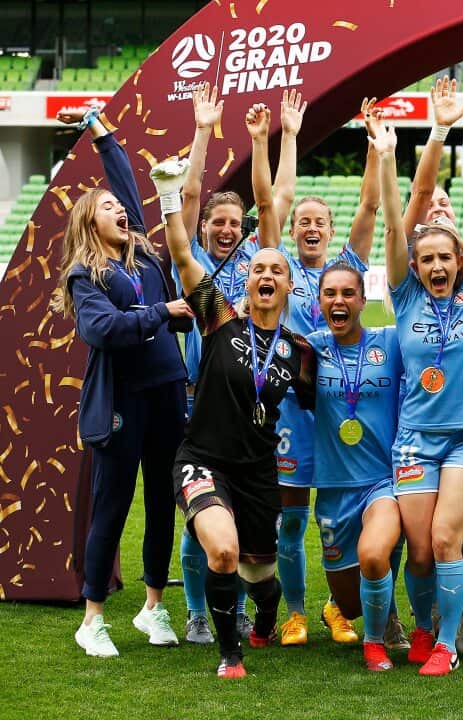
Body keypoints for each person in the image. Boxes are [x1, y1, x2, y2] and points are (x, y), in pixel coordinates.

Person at [153, 102, 317, 678]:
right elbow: (179, 251)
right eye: (257, 272)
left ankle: (267, 615)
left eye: (276, 271)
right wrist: (171, 195)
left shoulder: (299, 352)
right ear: (245, 280)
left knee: (258, 575)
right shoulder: (218, 318)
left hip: (257, 469)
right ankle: (228, 652)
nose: (265, 277)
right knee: (218, 549)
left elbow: (320, 408)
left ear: (289, 284)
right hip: (202, 455)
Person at [51, 106, 191, 658]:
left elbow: (125, 180)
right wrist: (162, 313)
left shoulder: (144, 253)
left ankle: (153, 608)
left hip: (166, 393)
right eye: (107, 209)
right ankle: (93, 619)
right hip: (120, 403)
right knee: (112, 506)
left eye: (120, 208)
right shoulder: (87, 274)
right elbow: (102, 329)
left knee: (162, 502)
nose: (120, 212)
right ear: (90, 224)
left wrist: (100, 127)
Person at [383, 109, 463, 675]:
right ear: (415, 266)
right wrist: (388, 157)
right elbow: (392, 223)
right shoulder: (405, 298)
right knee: (415, 551)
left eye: (445, 258)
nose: (437, 265)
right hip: (413, 440)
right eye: (427, 259)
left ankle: (447, 646)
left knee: (443, 541)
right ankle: (425, 624)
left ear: (460, 263)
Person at [261, 96, 378, 647]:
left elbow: (370, 210)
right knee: (290, 520)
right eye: (302, 221)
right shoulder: (279, 269)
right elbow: (271, 202)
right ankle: (297, 612)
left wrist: (376, 149)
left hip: (339, 410)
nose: (309, 225)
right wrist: (285, 136)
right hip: (291, 412)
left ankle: (337, 605)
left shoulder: (345, 273)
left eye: (318, 221)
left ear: (330, 231)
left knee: (342, 518)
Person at [306, 257, 403, 672]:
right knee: (350, 601)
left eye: (348, 293)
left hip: (381, 481)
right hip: (331, 488)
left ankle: (376, 642)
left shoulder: (391, 343)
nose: (339, 300)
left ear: (364, 300)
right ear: (319, 300)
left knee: (374, 556)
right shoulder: (308, 348)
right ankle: (352, 607)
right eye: (331, 293)